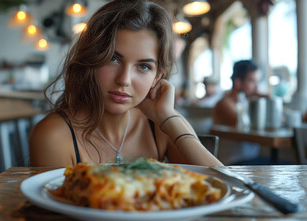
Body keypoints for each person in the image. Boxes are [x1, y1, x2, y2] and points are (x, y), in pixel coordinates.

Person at [29, 0, 222, 167]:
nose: (124, 79)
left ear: (157, 77)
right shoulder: (54, 135)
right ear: (91, 60)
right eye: (113, 59)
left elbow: (223, 185)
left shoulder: (160, 126)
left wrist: (168, 116)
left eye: (144, 67)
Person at [213, 60, 262, 165]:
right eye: (252, 81)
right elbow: (243, 122)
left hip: (250, 160)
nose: (257, 88)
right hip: (233, 163)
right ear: (238, 82)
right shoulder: (224, 103)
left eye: (258, 82)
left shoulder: (248, 103)